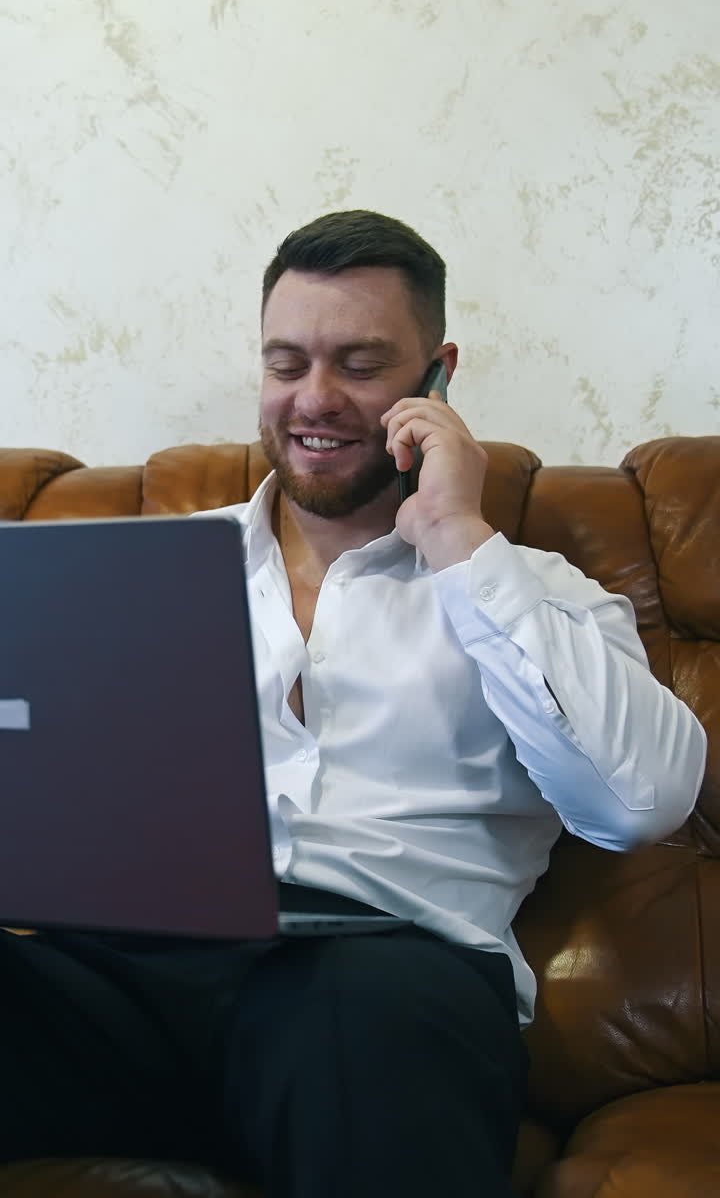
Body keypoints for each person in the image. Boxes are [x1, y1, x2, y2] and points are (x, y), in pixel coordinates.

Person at [0, 210, 706, 1197]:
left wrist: (457, 536)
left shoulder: (531, 593)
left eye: (360, 365)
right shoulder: (130, 569)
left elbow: (640, 800)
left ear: (438, 378)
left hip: (380, 975)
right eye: (286, 363)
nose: (314, 399)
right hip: (120, 979)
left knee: (360, 1019)